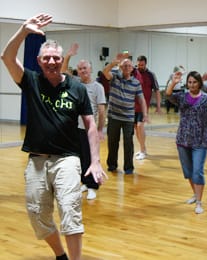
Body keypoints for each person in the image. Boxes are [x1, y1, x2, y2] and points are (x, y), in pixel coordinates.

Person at [1, 14, 107, 260]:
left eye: (56, 58)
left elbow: (90, 126)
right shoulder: (31, 81)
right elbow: (6, 57)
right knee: (38, 216)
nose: (51, 61)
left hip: (67, 160)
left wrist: (95, 160)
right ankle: (60, 255)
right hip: (37, 161)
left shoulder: (77, 88)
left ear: (62, 61)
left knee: (71, 212)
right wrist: (23, 31)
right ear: (39, 61)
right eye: (46, 57)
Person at [166, 71, 207, 214]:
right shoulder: (182, 97)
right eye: (189, 82)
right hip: (183, 140)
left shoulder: (206, 99)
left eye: (194, 82)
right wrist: (174, 82)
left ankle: (199, 202)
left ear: (199, 83)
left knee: (197, 172)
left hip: (200, 141)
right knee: (188, 172)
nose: (192, 85)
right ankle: (195, 195)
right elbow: (168, 95)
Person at [61, 43, 106, 200]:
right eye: (80, 69)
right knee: (80, 158)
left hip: (90, 129)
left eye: (85, 68)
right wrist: (68, 56)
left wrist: (100, 129)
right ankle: (85, 183)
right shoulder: (75, 84)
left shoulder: (98, 87)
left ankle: (93, 185)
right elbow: (63, 71)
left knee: (92, 157)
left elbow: (101, 110)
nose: (82, 71)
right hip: (77, 128)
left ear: (90, 69)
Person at [103, 54, 148, 174]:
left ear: (132, 68)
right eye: (124, 65)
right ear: (120, 67)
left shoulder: (136, 83)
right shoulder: (114, 77)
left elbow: (142, 99)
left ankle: (128, 168)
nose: (127, 67)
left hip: (128, 117)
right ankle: (112, 165)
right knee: (112, 142)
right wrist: (114, 63)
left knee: (128, 143)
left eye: (129, 66)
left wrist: (145, 114)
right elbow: (105, 72)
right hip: (113, 116)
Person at [134, 55, 162, 160]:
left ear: (146, 64)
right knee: (136, 128)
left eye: (142, 65)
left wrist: (158, 106)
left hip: (143, 106)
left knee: (140, 126)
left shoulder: (151, 75)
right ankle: (143, 148)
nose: (140, 66)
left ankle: (142, 150)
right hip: (132, 106)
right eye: (139, 64)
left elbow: (157, 91)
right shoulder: (133, 73)